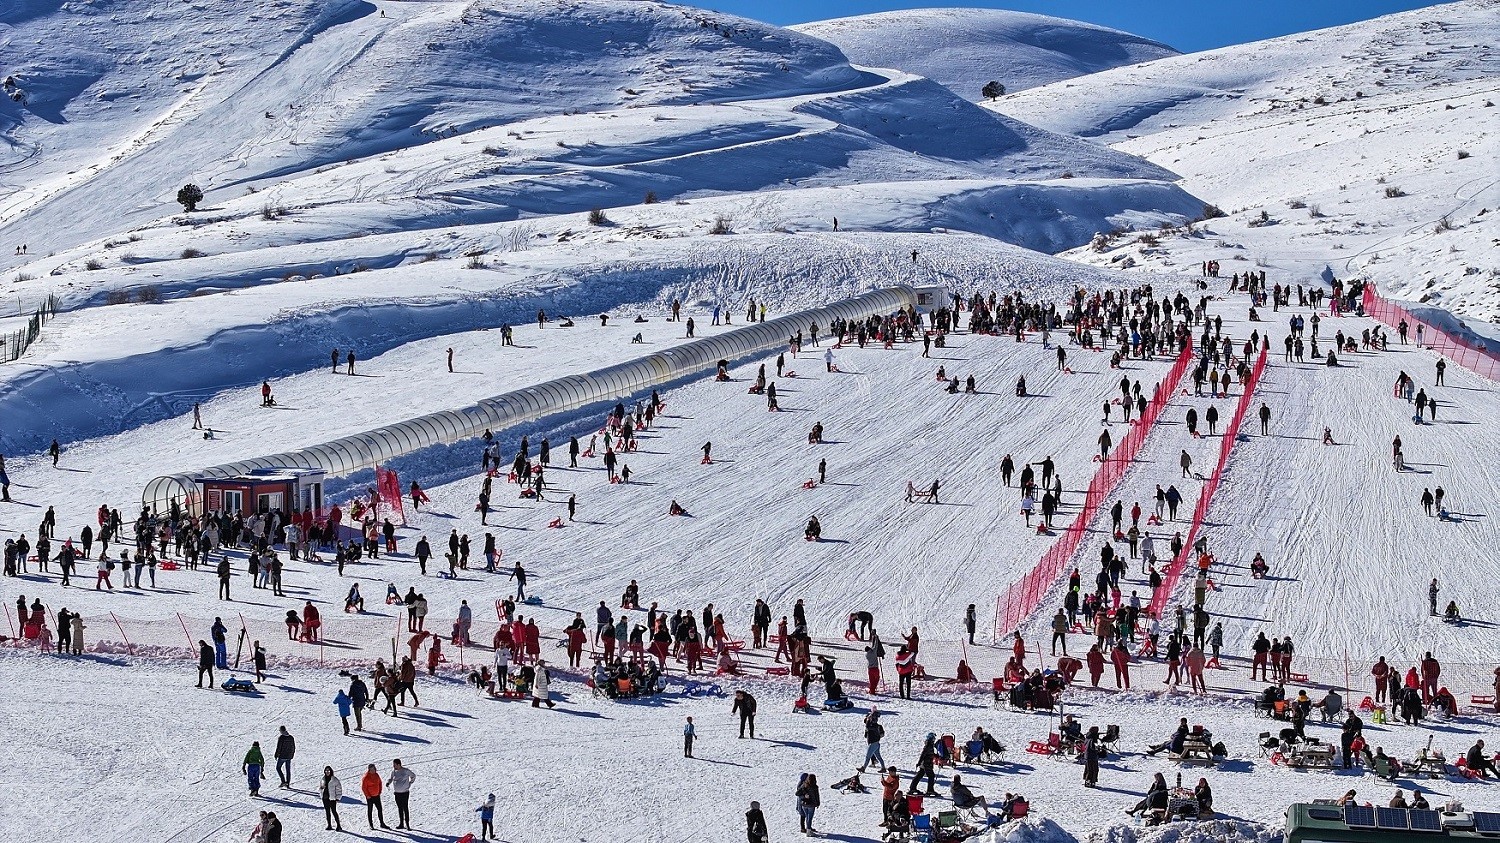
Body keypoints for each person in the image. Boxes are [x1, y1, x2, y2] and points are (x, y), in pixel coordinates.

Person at [388, 759, 415, 829]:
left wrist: (410, 783)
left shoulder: (405, 771)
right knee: (400, 808)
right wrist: (388, 782)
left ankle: (407, 824)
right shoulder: (394, 771)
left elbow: (413, 776)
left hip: (404, 793)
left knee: (405, 808)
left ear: (399, 764)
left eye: (394, 765)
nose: (393, 766)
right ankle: (401, 823)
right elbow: (391, 778)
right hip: (397, 793)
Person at [361, 764, 389, 829]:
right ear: (369, 770)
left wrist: (379, 791)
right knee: (370, 810)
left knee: (380, 809)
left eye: (374, 769)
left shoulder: (376, 775)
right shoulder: (366, 778)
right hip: (370, 797)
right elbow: (364, 788)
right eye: (371, 769)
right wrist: (367, 795)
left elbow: (380, 783)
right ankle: (371, 824)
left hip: (377, 795)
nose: (373, 771)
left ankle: (382, 823)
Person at [320, 767, 344, 831]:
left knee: (334, 811)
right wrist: (321, 792)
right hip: (325, 798)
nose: (327, 772)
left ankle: (338, 825)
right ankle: (329, 825)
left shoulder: (335, 780)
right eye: (326, 771)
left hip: (332, 798)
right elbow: (321, 788)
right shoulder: (323, 779)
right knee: (327, 812)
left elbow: (339, 789)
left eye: (328, 771)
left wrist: (338, 798)